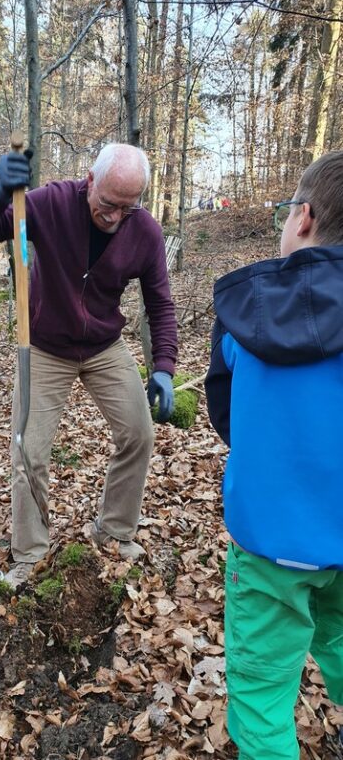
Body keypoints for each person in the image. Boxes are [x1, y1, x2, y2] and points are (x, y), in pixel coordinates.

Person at [0, 143, 178, 588]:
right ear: (90, 180)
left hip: (104, 346)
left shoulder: (145, 232)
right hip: (44, 347)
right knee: (28, 450)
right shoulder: (49, 203)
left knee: (138, 432)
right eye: (107, 203)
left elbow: (160, 303)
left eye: (127, 206)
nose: (115, 215)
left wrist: (163, 366)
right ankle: (29, 554)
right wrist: (0, 192)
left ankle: (114, 532)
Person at [205, 151, 343, 760]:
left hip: (267, 546)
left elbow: (224, 412)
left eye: (288, 210)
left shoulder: (243, 313)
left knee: (261, 700)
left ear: (304, 218)